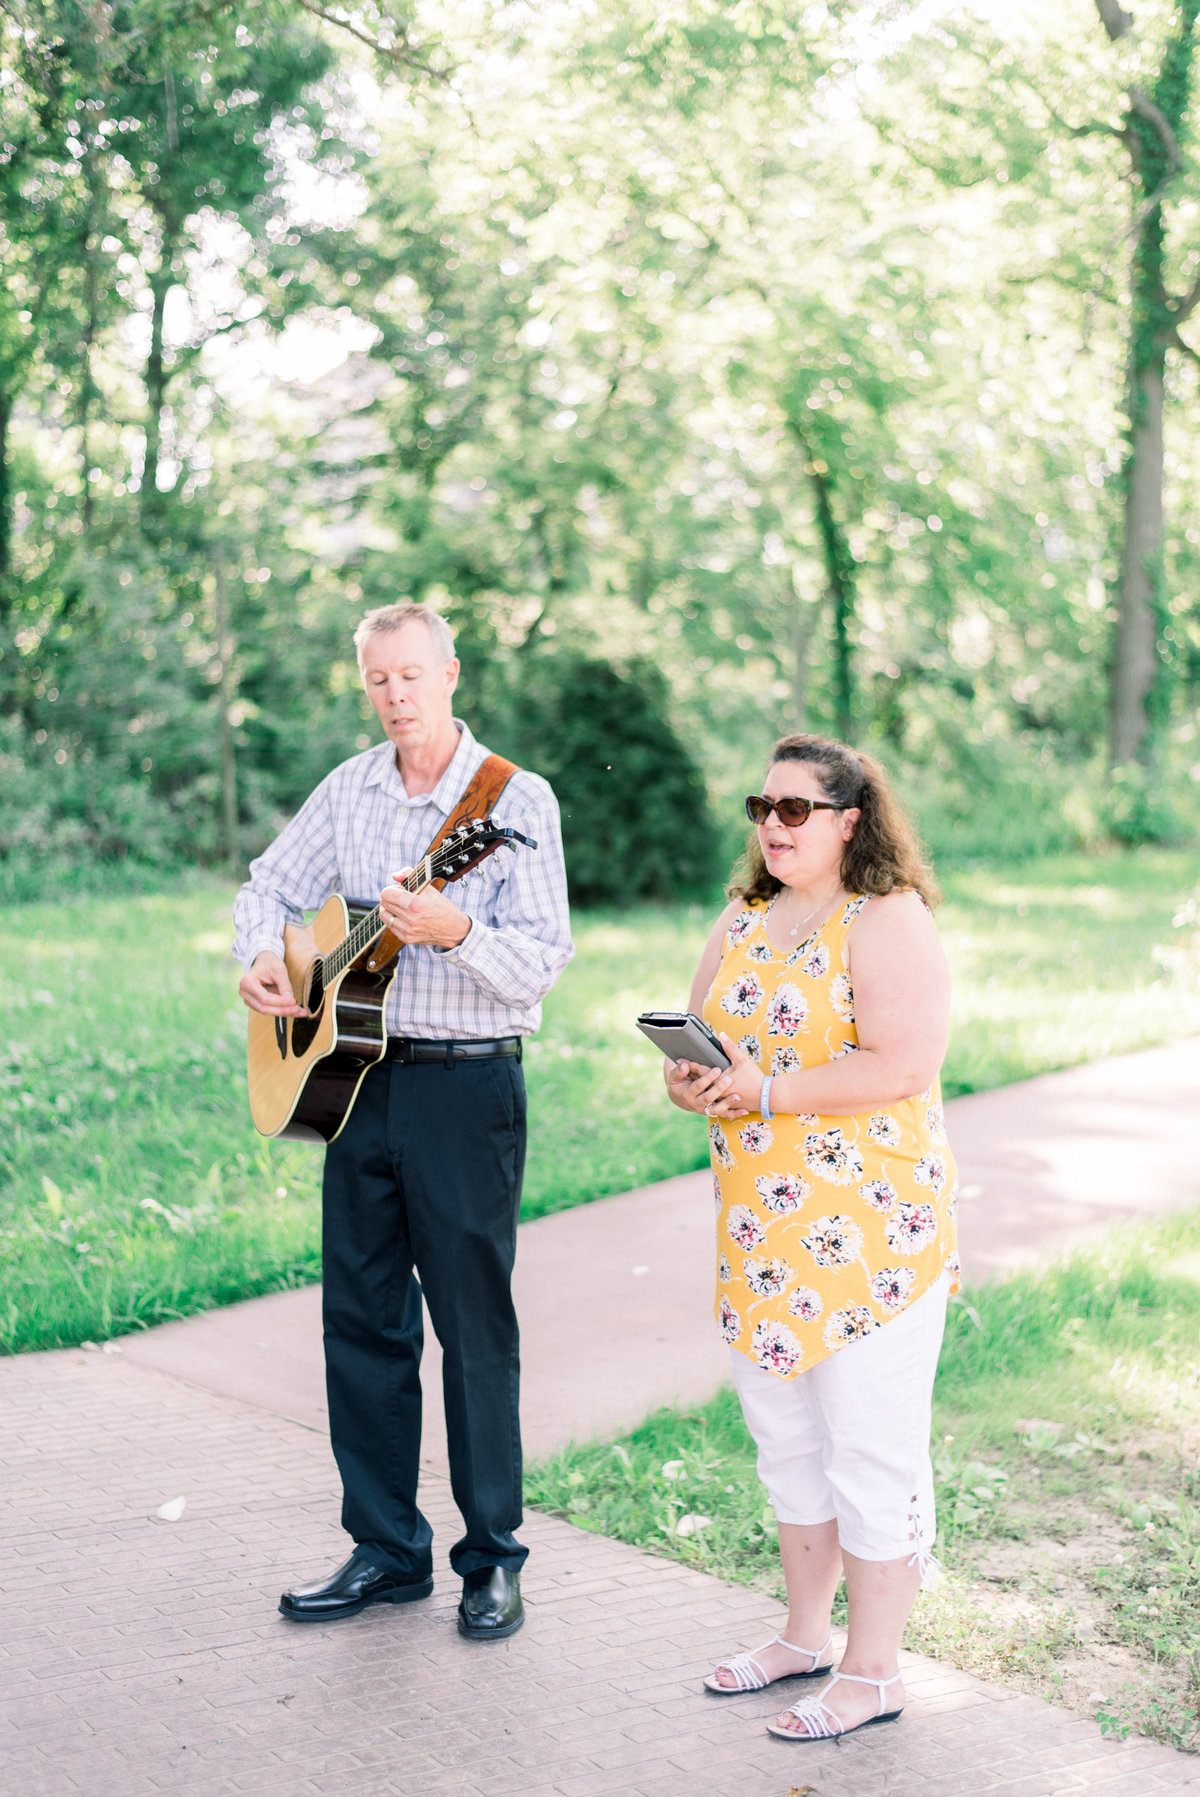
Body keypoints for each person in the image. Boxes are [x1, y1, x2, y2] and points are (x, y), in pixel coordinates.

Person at [233, 601, 572, 1640]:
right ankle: (385, 1551)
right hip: (355, 1087)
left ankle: (493, 1559)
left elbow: (542, 962)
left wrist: (457, 927)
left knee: (473, 1332)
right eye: (379, 680)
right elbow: (268, 885)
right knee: (362, 1325)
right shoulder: (350, 789)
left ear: (451, 673)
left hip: (467, 1091)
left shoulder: (514, 801)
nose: (395, 696)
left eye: (412, 676)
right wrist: (261, 954)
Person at [664, 732, 958, 1742]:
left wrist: (766, 1089)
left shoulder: (888, 919)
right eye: (763, 806)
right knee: (789, 1449)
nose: (773, 826)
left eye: (795, 809)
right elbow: (706, 1044)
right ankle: (804, 1636)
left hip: (871, 1241)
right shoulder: (745, 916)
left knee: (871, 1456)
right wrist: (692, 1079)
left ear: (849, 820)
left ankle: (874, 1673)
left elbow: (905, 1063)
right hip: (760, 1238)